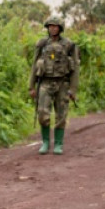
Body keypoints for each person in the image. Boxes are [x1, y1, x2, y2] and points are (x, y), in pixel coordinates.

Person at [29, 16, 80, 155]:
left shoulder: (69, 45)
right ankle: (45, 142)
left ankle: (58, 144)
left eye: (55, 26)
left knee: (61, 115)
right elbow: (34, 65)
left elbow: (75, 68)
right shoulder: (42, 44)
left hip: (62, 83)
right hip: (44, 82)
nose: (52, 28)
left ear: (60, 28)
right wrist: (31, 86)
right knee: (42, 113)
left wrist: (73, 89)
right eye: (50, 26)